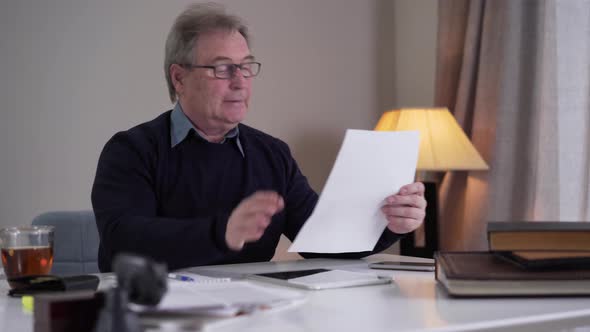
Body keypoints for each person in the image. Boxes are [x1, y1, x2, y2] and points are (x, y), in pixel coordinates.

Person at [91, 3, 427, 272]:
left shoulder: (272, 154)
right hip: (153, 311)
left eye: (246, 66)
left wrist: (389, 223)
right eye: (222, 69)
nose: (240, 81)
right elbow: (124, 239)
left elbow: (321, 240)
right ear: (179, 78)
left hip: (252, 313)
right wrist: (221, 232)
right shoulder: (132, 150)